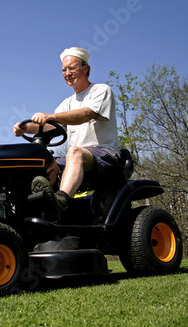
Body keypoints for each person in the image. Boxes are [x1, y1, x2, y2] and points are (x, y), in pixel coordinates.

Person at [13, 47, 121, 223]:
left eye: (72, 68)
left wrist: (51, 116)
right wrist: (25, 129)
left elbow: (86, 114)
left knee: (74, 152)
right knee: (43, 162)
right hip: (77, 158)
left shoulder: (101, 91)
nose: (67, 73)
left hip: (105, 153)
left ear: (85, 68)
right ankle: (40, 209)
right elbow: (50, 127)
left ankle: (61, 202)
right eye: (64, 70)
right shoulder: (67, 103)